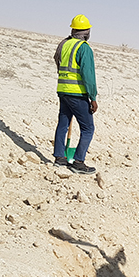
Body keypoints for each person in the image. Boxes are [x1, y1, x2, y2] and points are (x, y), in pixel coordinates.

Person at [53, 14, 98, 175]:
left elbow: (57, 61)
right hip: (77, 93)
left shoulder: (64, 44)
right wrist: (93, 97)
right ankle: (78, 162)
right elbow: (88, 75)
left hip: (62, 90)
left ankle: (59, 157)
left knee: (63, 124)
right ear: (86, 32)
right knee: (88, 128)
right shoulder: (84, 48)